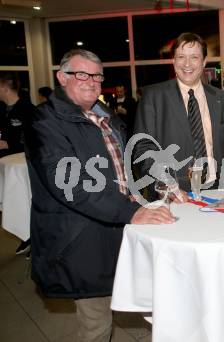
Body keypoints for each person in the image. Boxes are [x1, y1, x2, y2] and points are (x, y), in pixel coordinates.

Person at [24, 49, 175, 342]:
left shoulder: (107, 117)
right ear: (62, 77)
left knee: (144, 302)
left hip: (117, 229)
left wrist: (155, 190)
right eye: (82, 74)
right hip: (81, 237)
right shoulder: (44, 121)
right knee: (97, 323)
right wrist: (130, 212)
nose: (91, 81)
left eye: (97, 75)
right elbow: (70, 183)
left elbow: (123, 168)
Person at [134, 32, 224, 199]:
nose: (187, 63)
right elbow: (144, 149)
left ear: (203, 62)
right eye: (181, 57)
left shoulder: (223, 99)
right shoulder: (153, 97)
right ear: (173, 61)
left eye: (194, 57)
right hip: (174, 194)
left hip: (218, 190)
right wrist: (165, 185)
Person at [0, 71, 38, 255]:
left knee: (27, 198)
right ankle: (26, 234)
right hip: (7, 164)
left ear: (4, 88)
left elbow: (34, 139)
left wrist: (8, 143)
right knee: (14, 200)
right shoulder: (3, 110)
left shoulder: (27, 109)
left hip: (23, 165)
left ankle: (33, 237)